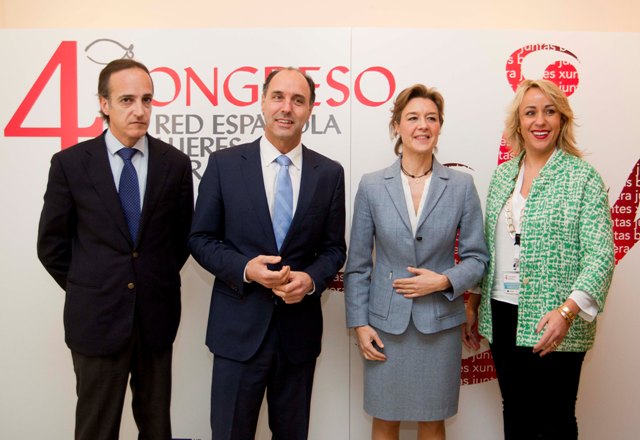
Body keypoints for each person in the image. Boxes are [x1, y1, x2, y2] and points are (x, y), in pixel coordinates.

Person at [37, 59, 193, 439]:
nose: (139, 110)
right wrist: (91, 286)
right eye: (127, 100)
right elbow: (52, 245)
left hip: (155, 321)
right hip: (96, 321)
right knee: (96, 429)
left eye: (146, 100)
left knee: (156, 429)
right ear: (104, 104)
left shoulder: (174, 164)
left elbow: (180, 240)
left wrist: (147, 281)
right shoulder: (71, 164)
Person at [189, 67, 346, 440]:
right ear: (262, 102)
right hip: (237, 334)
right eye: (278, 97)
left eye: (298, 100)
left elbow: (334, 249)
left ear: (310, 110)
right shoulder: (224, 165)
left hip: (298, 338)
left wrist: (310, 280)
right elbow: (200, 238)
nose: (286, 107)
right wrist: (246, 269)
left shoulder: (329, 174)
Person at [463, 79, 615, 439]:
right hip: (502, 312)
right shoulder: (503, 175)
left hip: (556, 318)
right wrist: (473, 302)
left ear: (562, 120)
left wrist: (567, 312)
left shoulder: (582, 177)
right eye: (530, 112)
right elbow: (489, 246)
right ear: (518, 123)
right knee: (515, 411)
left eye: (550, 112)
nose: (540, 121)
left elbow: (600, 256)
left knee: (555, 419)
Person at [344, 84, 488, 440]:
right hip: (384, 327)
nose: (422, 125)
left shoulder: (461, 186)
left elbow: (477, 258)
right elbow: (358, 265)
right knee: (384, 419)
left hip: (439, 325)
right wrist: (359, 324)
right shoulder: (372, 186)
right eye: (412, 118)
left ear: (439, 126)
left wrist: (443, 280)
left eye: (431, 118)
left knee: (433, 420)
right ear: (397, 125)